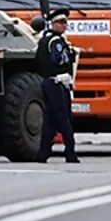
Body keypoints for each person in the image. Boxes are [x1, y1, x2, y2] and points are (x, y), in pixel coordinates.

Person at [35, 9, 79, 164]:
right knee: (64, 117)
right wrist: (71, 55)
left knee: (50, 119)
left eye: (65, 23)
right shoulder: (56, 42)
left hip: (49, 82)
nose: (64, 26)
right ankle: (70, 152)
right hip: (57, 82)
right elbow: (59, 59)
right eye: (61, 23)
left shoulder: (45, 39)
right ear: (53, 24)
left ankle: (43, 153)